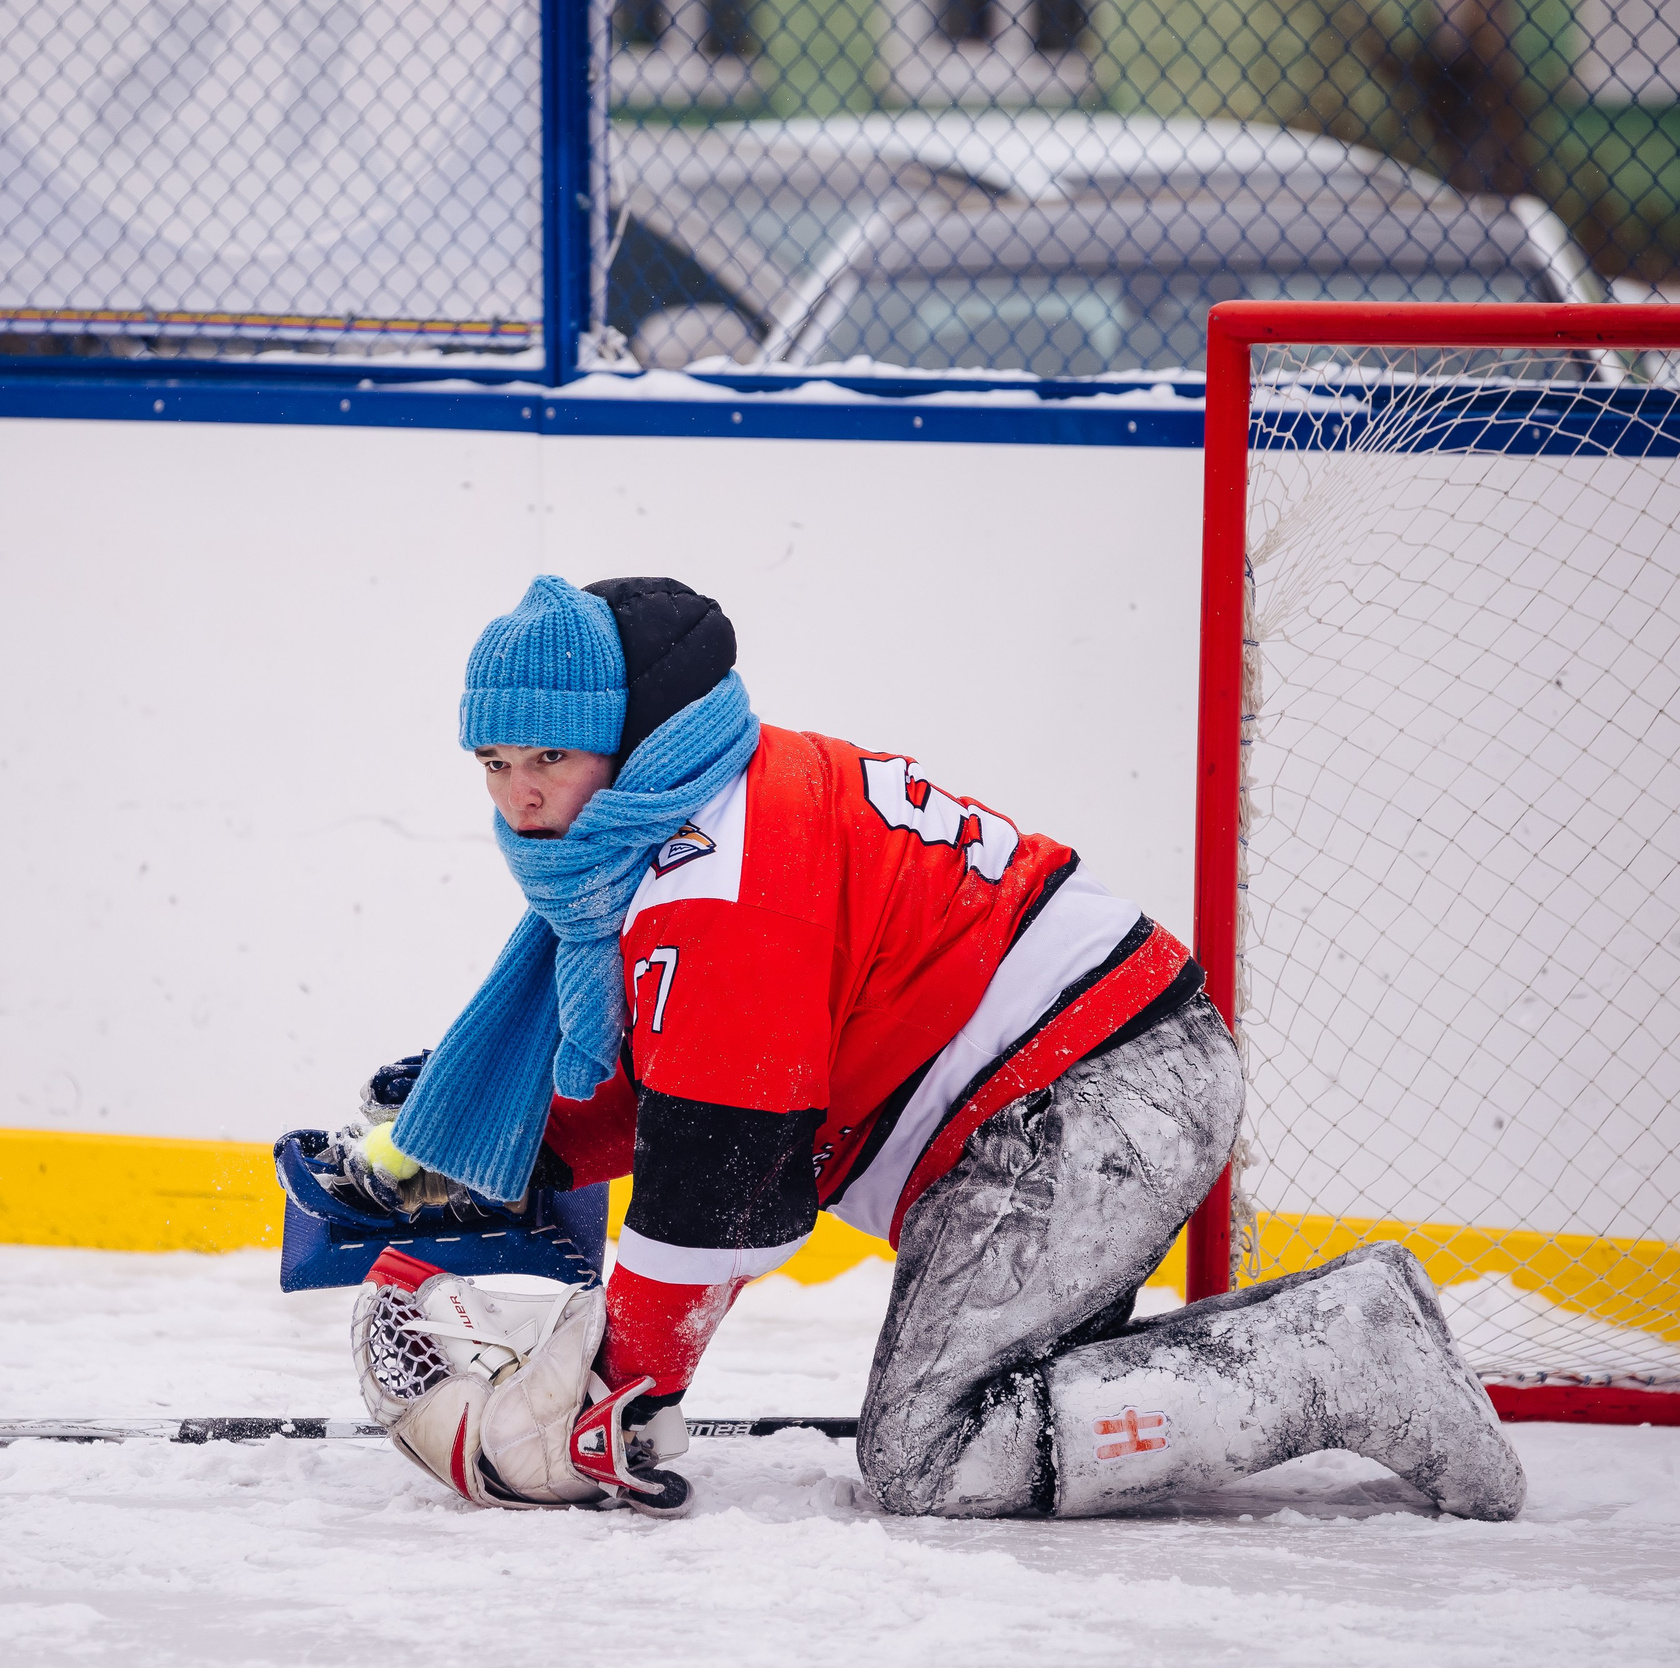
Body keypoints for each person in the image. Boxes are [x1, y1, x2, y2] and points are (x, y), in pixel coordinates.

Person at [290, 574, 1525, 1523]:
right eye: (495, 765)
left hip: (1079, 1101)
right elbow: (692, 1077)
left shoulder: (710, 882)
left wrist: (621, 1392)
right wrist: (499, 1137)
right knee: (1009, 1394)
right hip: (1091, 1078)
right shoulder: (713, 791)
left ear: (624, 735)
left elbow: (717, 1173)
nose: (519, 798)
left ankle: (1342, 1355)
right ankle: (1324, 1343)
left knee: (934, 1451)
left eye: (549, 757)